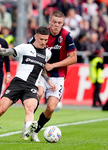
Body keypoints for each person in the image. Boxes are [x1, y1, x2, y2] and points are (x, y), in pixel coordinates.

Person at [0, 26, 56, 142]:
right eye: (41, 39)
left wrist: (48, 81)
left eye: (46, 40)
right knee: (0, 110)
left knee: (30, 108)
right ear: (36, 37)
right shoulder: (25, 48)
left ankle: (27, 129)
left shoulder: (48, 53)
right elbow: (7, 52)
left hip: (31, 86)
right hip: (17, 83)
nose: (43, 42)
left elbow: (42, 69)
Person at [29, 10, 77, 142]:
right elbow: (29, 49)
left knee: (50, 108)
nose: (56, 25)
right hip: (40, 72)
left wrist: (53, 65)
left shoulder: (66, 36)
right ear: (50, 21)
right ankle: (29, 122)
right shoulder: (42, 33)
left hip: (58, 74)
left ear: (63, 24)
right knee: (38, 93)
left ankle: (35, 130)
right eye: (54, 22)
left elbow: (73, 58)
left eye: (59, 23)